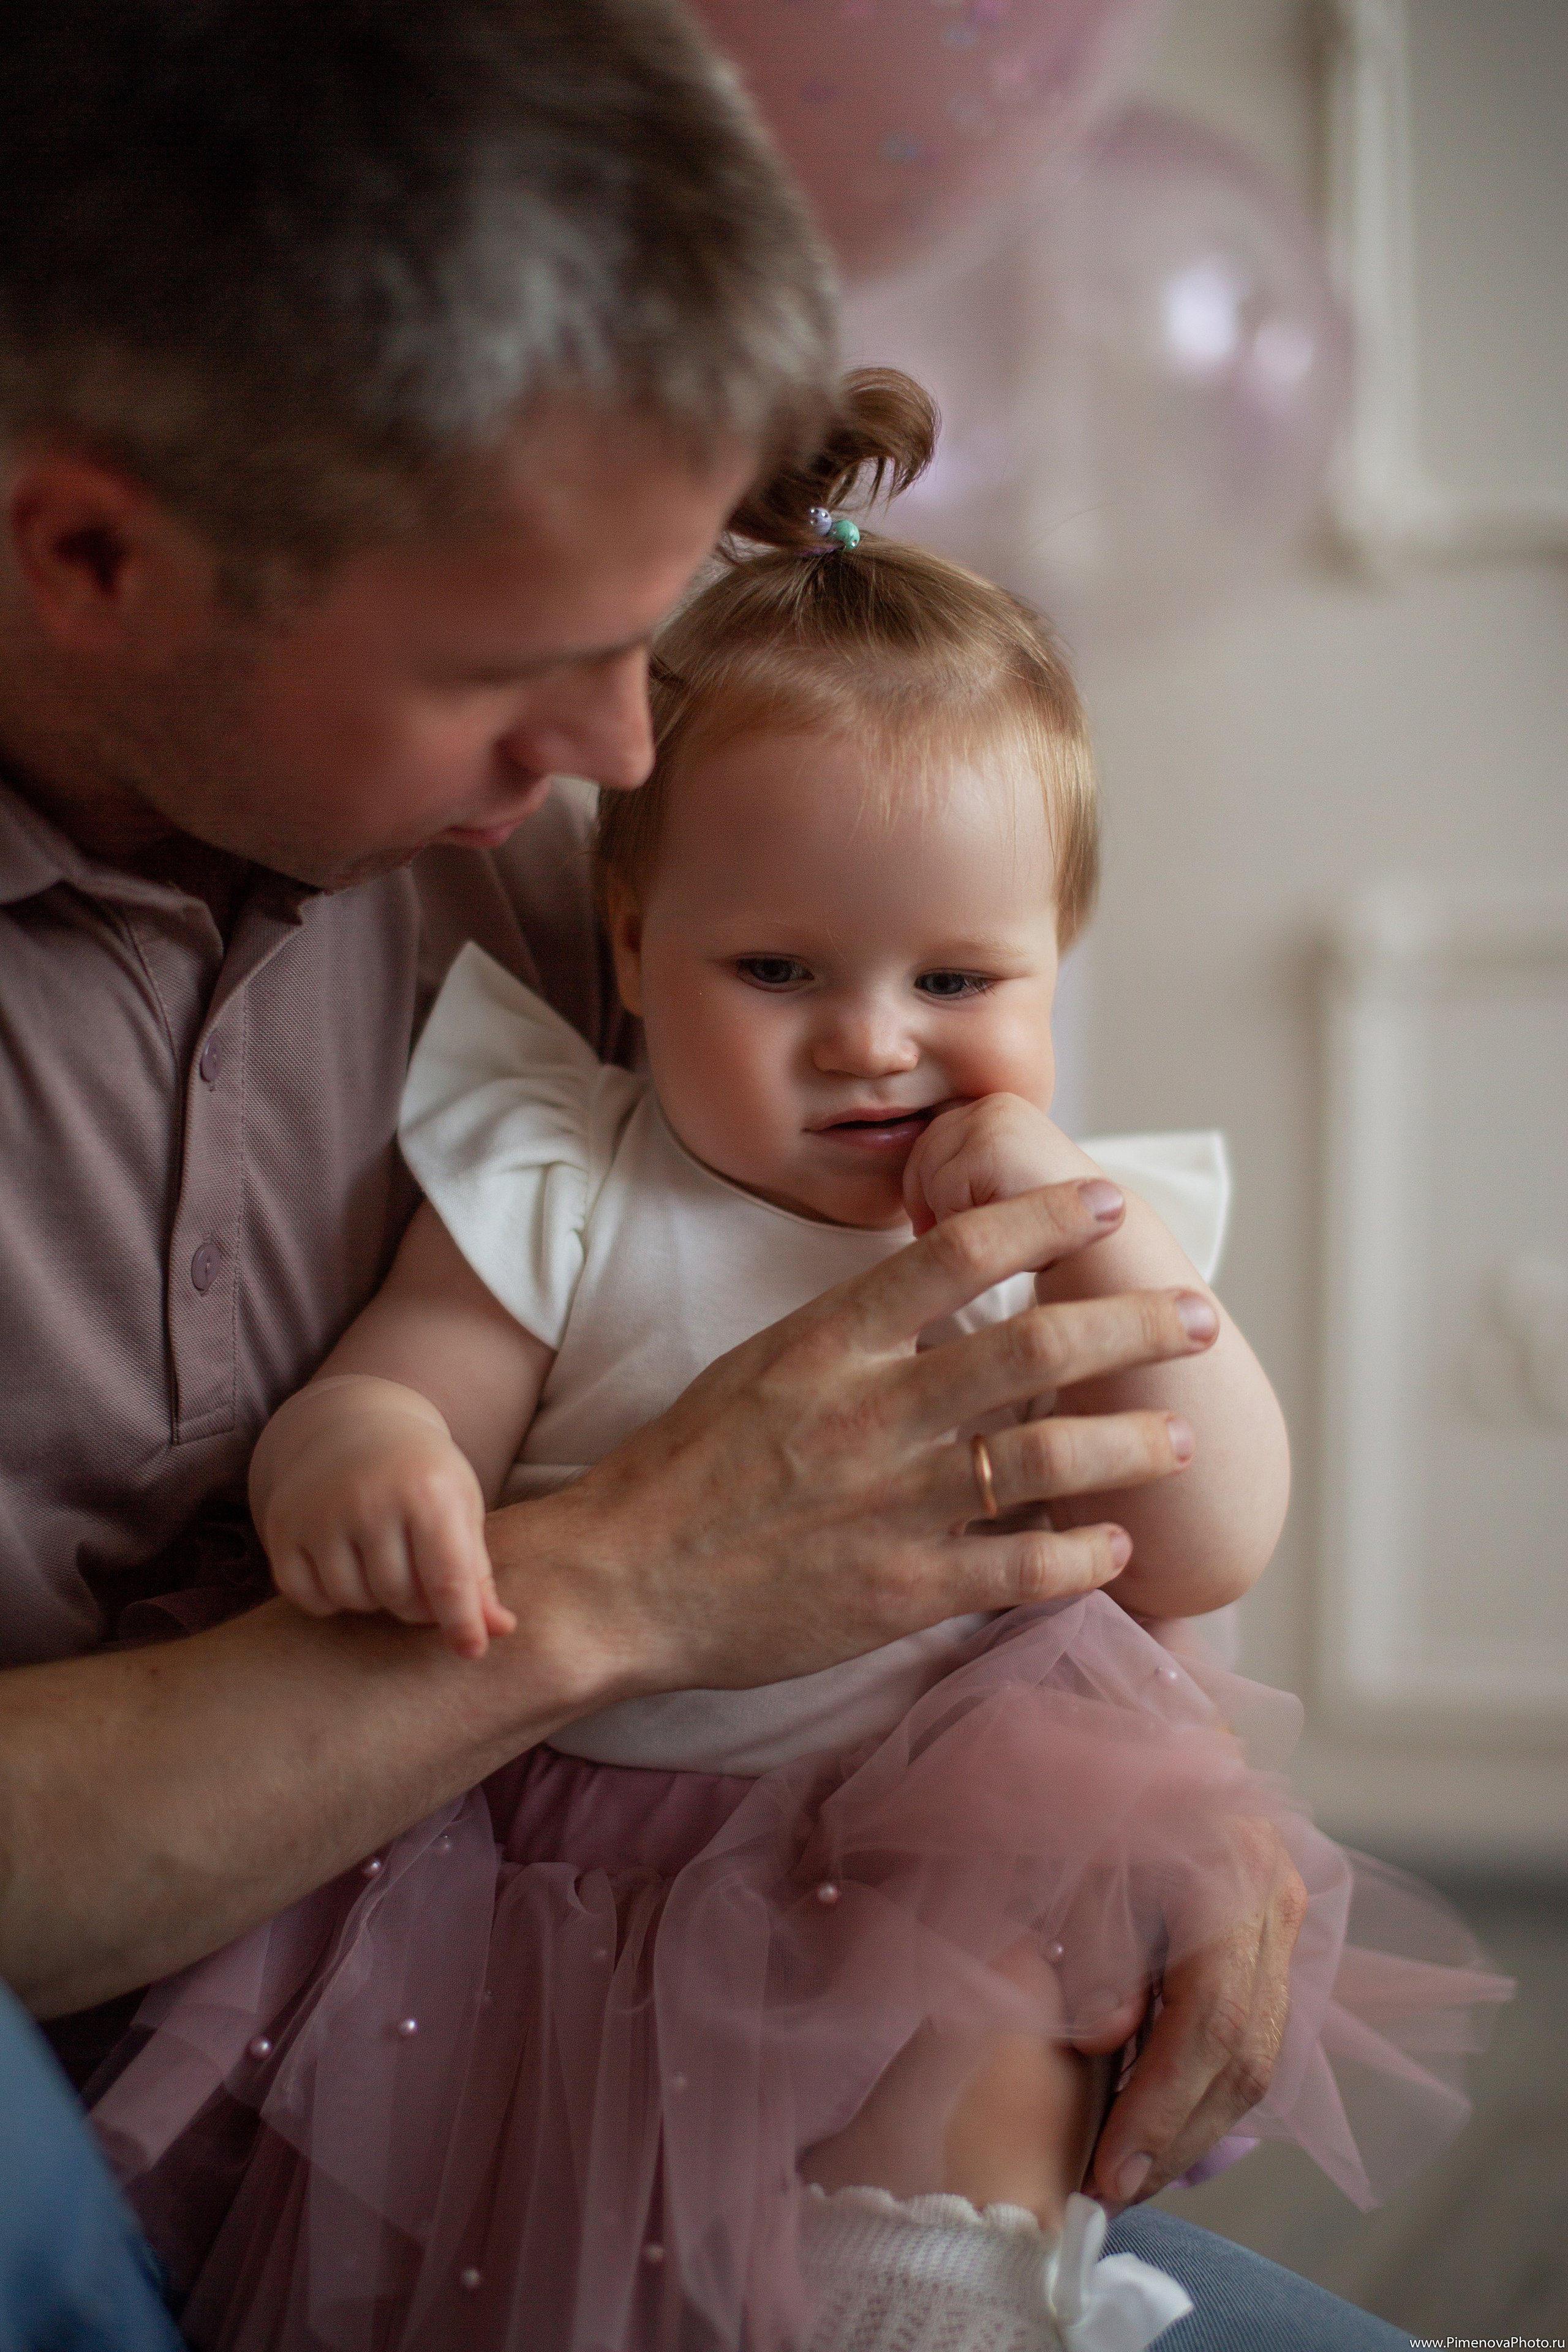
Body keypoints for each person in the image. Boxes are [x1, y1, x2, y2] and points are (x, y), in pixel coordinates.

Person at [0, 4, 1436, 2347]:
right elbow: (446, 1381)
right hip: (330, 2061)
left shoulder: (580, 857)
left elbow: (1163, 1491)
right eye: (530, 662)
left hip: (851, 2030)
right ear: (90, 555)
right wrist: (561, 1554)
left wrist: (1160, 1771)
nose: (612, 756)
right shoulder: (597, 1066)